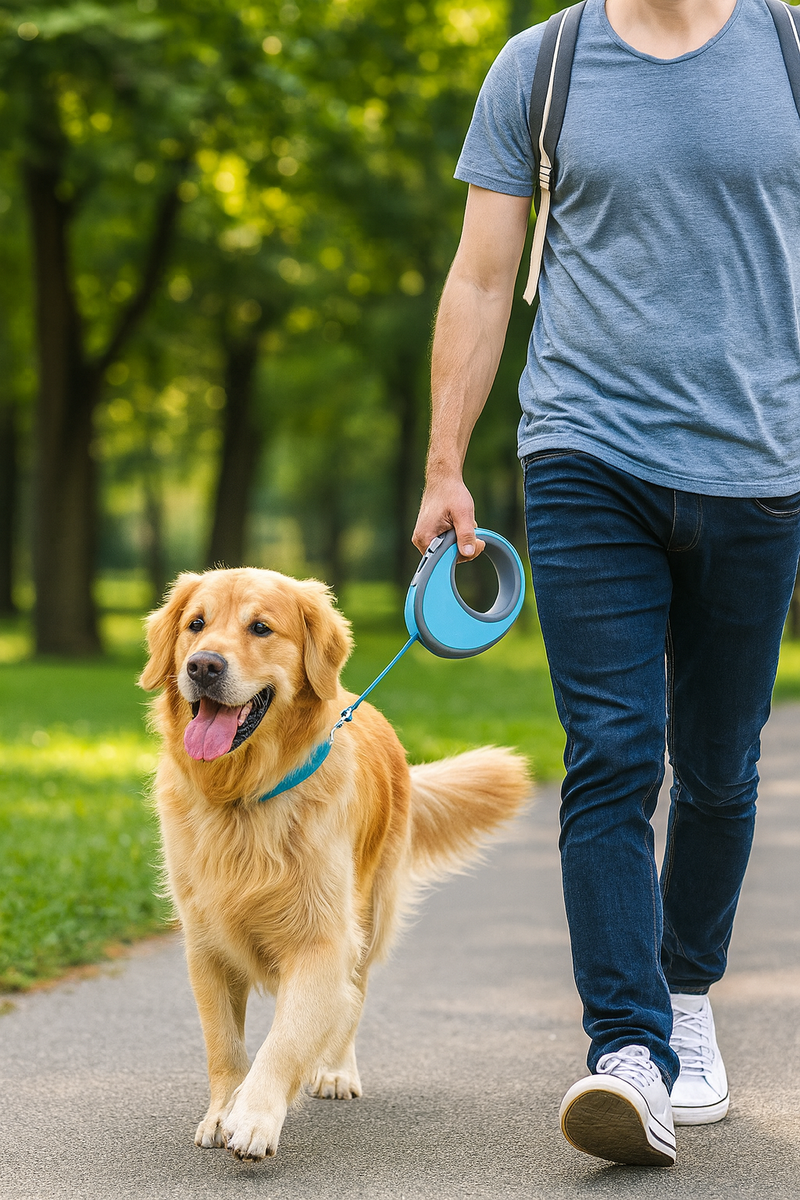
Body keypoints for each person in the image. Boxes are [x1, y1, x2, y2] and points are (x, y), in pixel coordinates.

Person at [412, 0, 800, 1169]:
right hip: (584, 456)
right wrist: (443, 463)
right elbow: (482, 280)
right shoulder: (541, 67)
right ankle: (626, 1049)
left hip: (758, 464)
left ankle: (684, 991)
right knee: (614, 752)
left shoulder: (786, 49)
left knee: (719, 766)